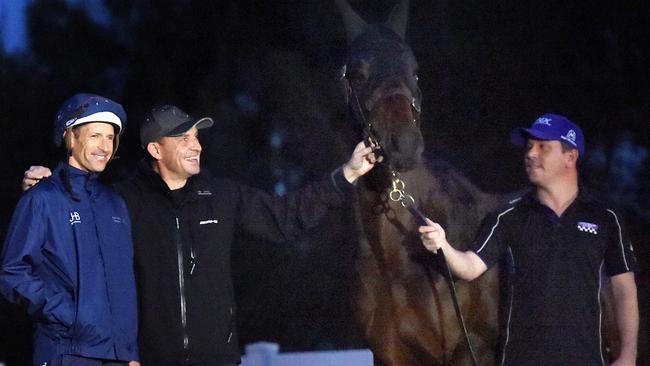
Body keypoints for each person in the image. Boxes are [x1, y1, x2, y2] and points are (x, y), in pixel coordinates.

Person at [23, 104, 378, 366]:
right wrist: (48, 187)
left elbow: (287, 218)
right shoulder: (121, 201)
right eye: (183, 138)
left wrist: (345, 174)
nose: (196, 146)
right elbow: (70, 237)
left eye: (196, 137)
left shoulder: (221, 196)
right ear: (155, 149)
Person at [419, 114, 639, 366]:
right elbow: (469, 267)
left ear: (570, 157)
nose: (531, 154)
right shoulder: (507, 216)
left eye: (543, 147)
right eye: (529, 146)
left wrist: (628, 355)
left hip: (587, 359)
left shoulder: (605, 218)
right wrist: (443, 246)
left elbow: (625, 289)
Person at [1, 93, 139, 366]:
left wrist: (129, 352)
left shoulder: (115, 204)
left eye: (110, 138)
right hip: (66, 351)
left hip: (117, 357)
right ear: (70, 137)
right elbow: (12, 272)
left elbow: (125, 282)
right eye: (95, 136)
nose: (104, 146)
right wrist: (68, 314)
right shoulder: (42, 198)